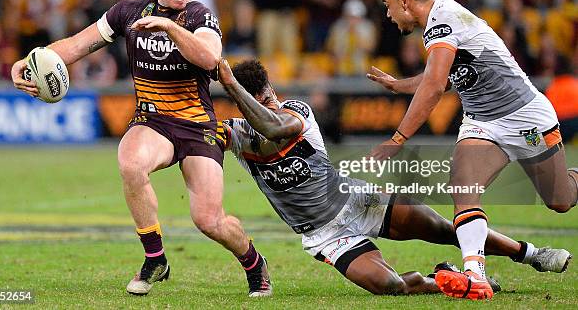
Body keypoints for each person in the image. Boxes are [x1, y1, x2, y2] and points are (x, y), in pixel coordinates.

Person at [10, 0, 271, 298]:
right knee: (130, 162)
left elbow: (209, 57)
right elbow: (76, 45)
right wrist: (28, 61)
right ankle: (155, 257)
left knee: (209, 221)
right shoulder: (127, 13)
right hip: (154, 121)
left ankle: (255, 263)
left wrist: (169, 26)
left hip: (198, 124)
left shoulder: (200, 16)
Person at [216, 58, 571, 296]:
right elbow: (200, 139)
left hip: (357, 199)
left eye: (268, 97)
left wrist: (234, 85)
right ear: (243, 104)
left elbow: (275, 127)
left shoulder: (295, 111)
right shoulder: (236, 132)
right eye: (258, 101)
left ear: (271, 91)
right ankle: (443, 278)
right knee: (391, 286)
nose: (268, 104)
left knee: (446, 230)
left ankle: (532, 254)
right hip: (325, 235)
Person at [368, 0, 576, 300]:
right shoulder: (439, 24)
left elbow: (436, 86)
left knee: (560, 201)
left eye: (388, 5)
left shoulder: (444, 20)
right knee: (463, 186)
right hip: (483, 122)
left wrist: (397, 139)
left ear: (404, 0)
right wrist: (399, 85)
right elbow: (446, 76)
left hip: (525, 116)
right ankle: (474, 273)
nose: (388, 14)